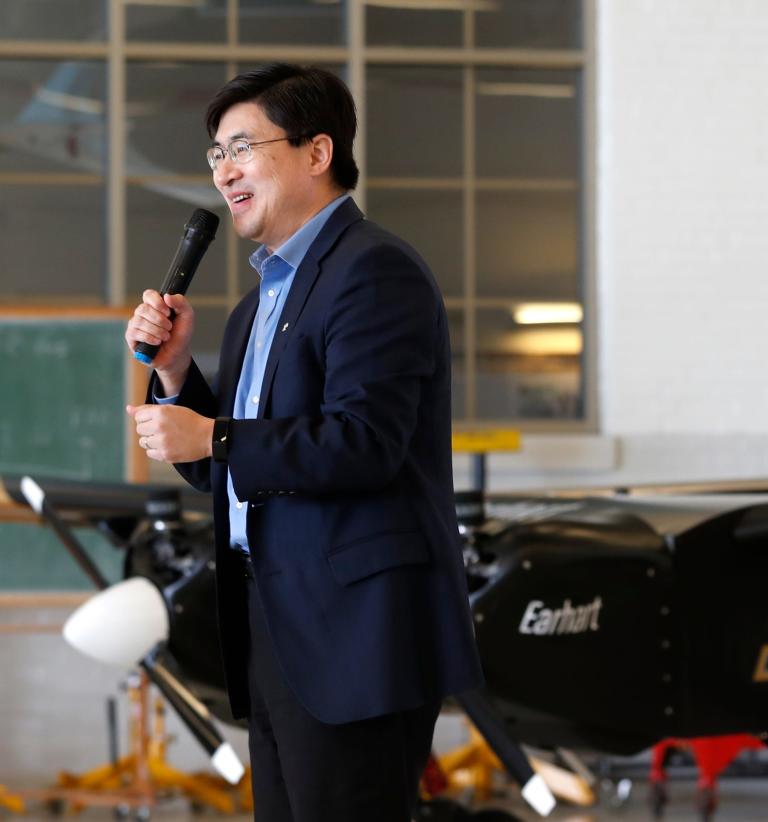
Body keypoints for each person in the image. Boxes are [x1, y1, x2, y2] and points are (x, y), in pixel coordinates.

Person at [123, 63, 482, 821]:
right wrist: (178, 373)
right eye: (216, 154)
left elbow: (363, 443)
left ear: (317, 154)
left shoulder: (372, 271)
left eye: (243, 147)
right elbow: (234, 465)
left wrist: (214, 435)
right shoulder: (260, 302)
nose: (225, 171)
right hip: (277, 620)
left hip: (355, 632)